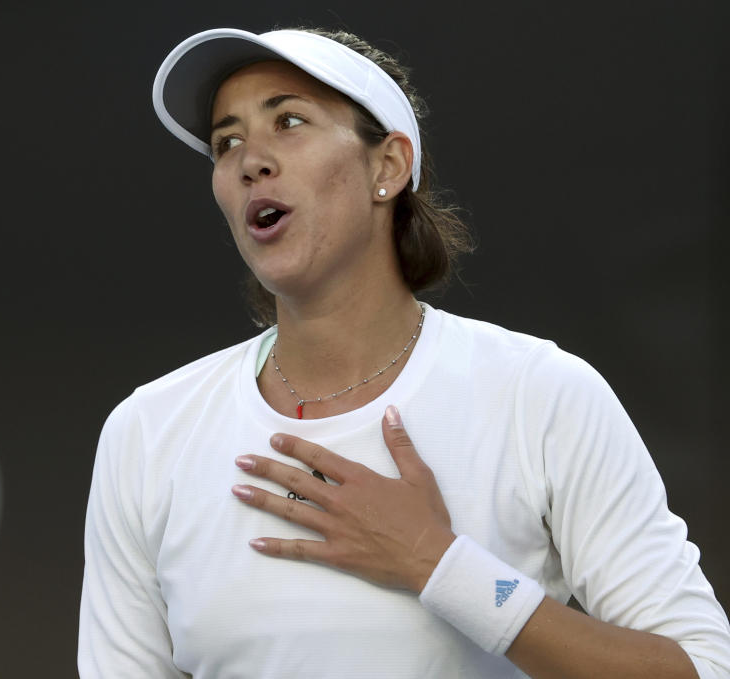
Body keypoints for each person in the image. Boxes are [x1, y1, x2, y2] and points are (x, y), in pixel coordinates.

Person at [78, 27, 730, 678]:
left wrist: (439, 562)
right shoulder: (147, 432)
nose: (250, 159)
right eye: (227, 142)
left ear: (387, 166)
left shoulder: (542, 394)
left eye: (290, 121)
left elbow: (700, 668)